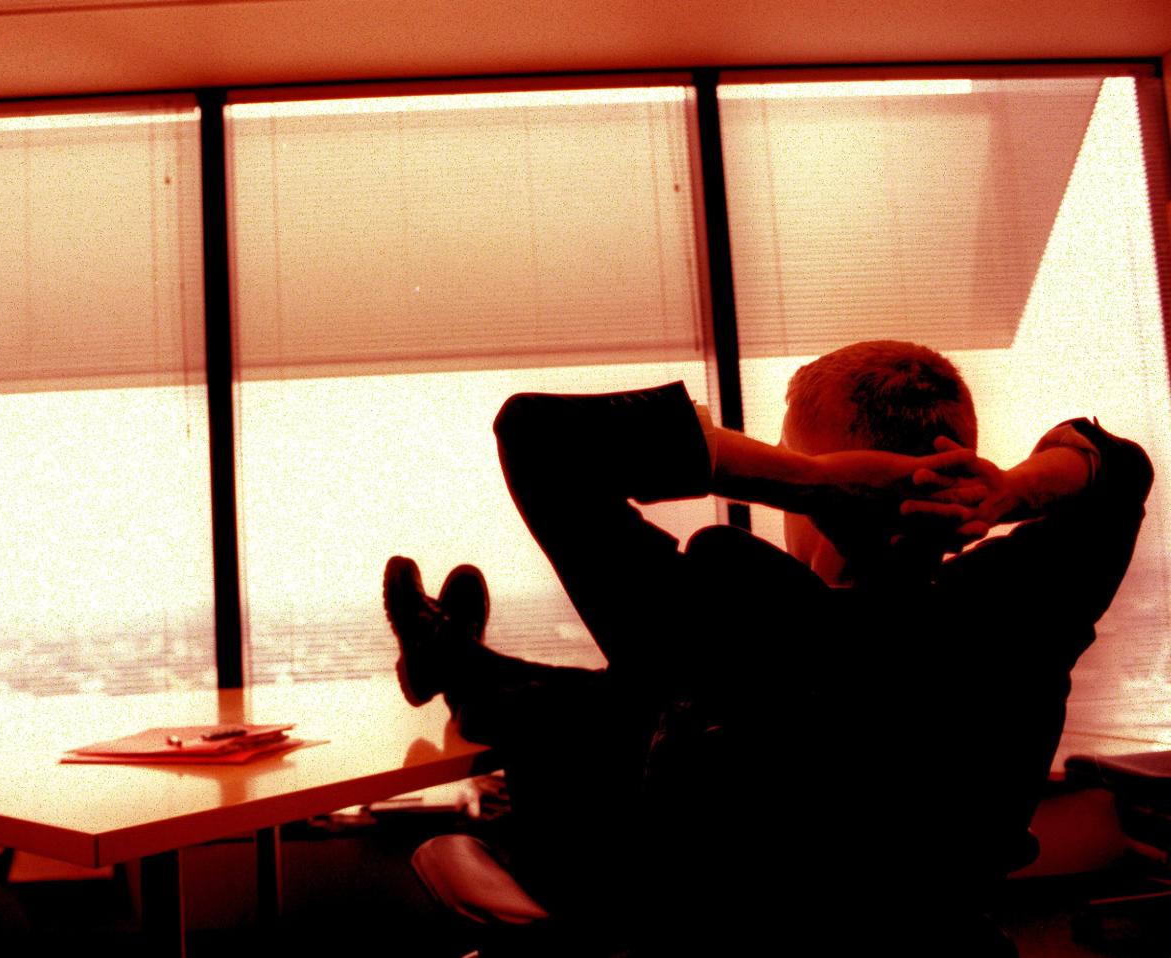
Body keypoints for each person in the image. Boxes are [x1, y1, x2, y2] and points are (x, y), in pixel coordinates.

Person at [383, 340, 1154, 956]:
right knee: (605, 700)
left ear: (832, 477)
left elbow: (538, 433)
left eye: (795, 454)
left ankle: (453, 661)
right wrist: (1009, 494)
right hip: (942, 944)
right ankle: (452, 657)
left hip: (716, 947)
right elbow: (1119, 467)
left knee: (611, 710)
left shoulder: (730, 605)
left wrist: (804, 480)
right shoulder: (1018, 608)